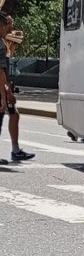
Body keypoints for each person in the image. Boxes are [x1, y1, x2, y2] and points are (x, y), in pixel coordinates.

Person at [0, 12, 35, 162]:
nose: (11, 28)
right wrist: (6, 93)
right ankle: (15, 150)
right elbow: (0, 71)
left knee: (13, 115)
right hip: (3, 88)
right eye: (9, 24)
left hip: (4, 86)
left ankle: (15, 149)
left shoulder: (4, 43)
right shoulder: (1, 45)